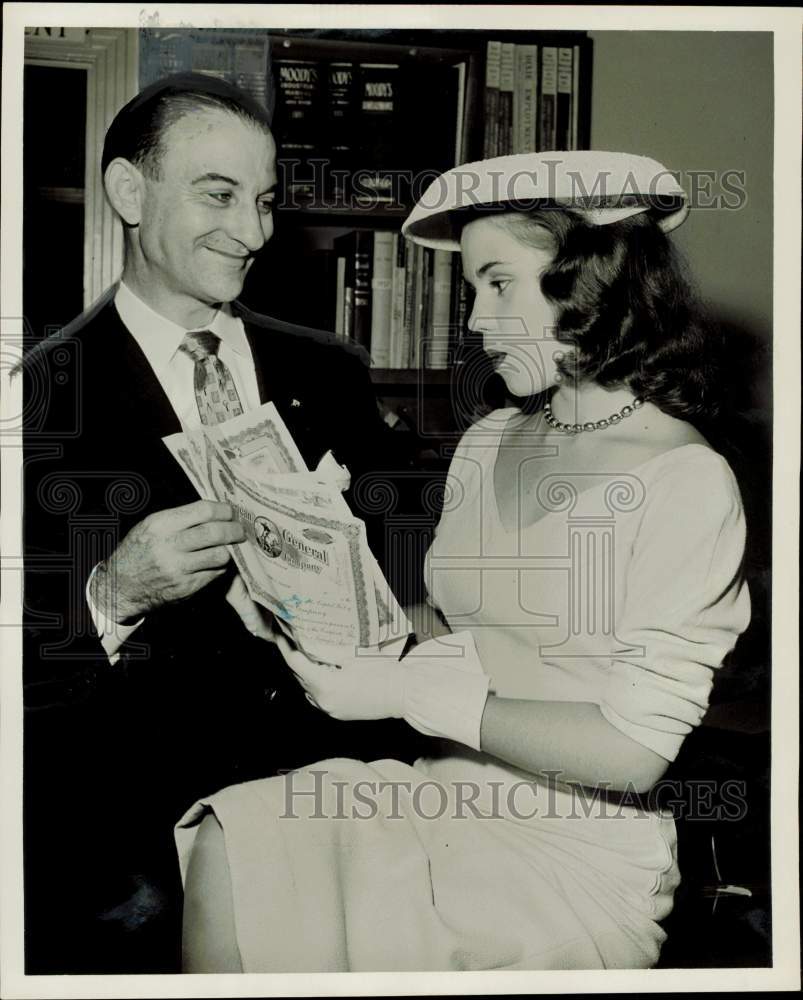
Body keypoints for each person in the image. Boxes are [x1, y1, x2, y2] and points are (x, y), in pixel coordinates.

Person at [175, 151, 751, 972]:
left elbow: (632, 751)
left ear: (592, 280)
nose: (475, 320)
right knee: (235, 836)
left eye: (498, 283)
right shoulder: (490, 441)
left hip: (571, 853)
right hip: (439, 791)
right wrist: (300, 596)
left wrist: (403, 691)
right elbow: (455, 634)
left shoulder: (682, 477)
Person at [20, 72, 414, 974]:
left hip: (345, 778)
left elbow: (426, 551)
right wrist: (111, 591)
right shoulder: (38, 397)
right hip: (145, 808)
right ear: (128, 191)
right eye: (219, 194)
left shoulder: (333, 370)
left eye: (267, 200)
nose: (254, 232)